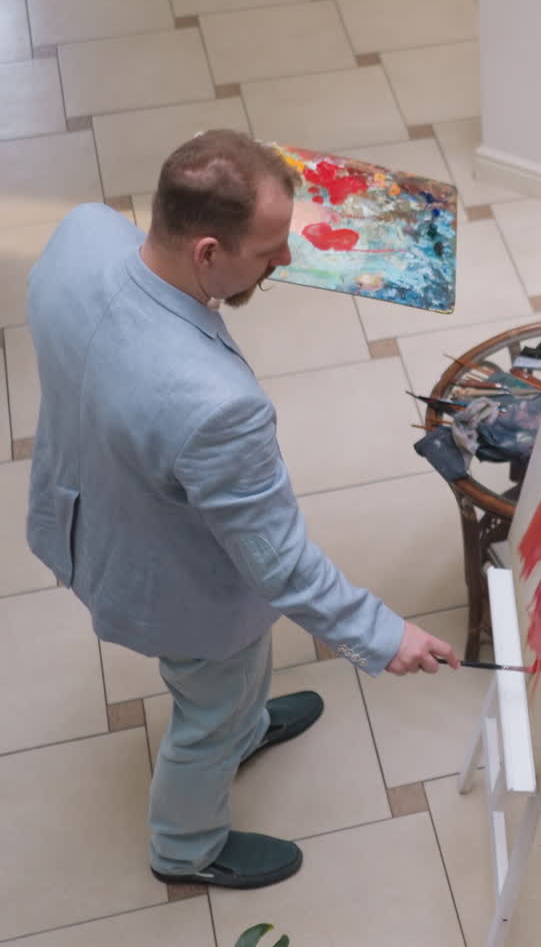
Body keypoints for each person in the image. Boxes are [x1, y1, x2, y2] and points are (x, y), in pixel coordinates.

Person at [26, 129, 460, 891]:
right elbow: (279, 563)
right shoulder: (215, 407)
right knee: (208, 711)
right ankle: (185, 848)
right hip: (176, 585)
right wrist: (382, 635)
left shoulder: (82, 233)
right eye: (267, 251)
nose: (284, 263)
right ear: (206, 253)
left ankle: (249, 726)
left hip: (87, 504)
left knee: (234, 686)